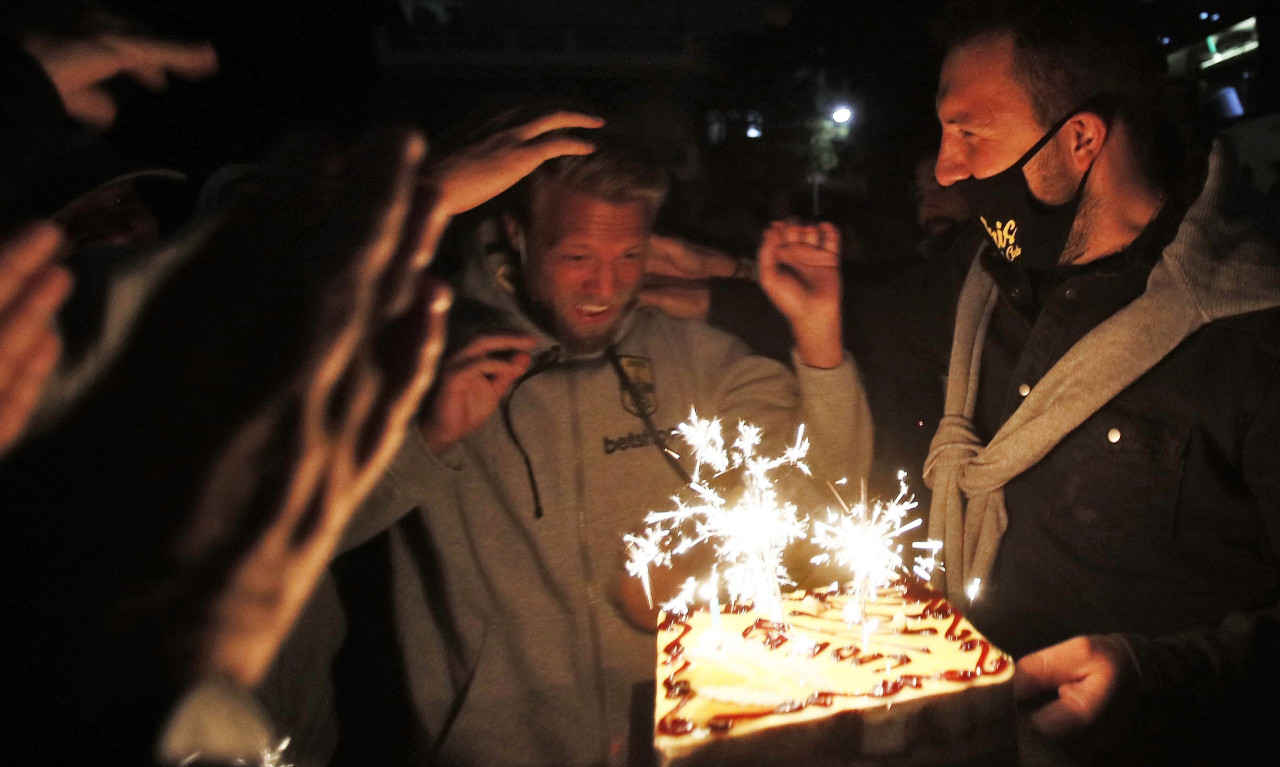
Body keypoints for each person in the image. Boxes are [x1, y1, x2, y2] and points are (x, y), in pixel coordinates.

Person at [329, 128, 872, 767]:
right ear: (517, 232)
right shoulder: (423, 349)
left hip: (679, 746)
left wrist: (817, 330)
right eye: (577, 256)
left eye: (629, 256)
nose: (604, 289)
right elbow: (308, 538)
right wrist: (427, 440)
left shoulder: (692, 356)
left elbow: (824, 484)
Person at [922, 2, 1280, 763]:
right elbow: (861, 307)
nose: (946, 168)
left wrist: (1155, 674)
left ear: (1080, 138)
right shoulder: (987, 279)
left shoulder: (1250, 333)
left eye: (968, 133)